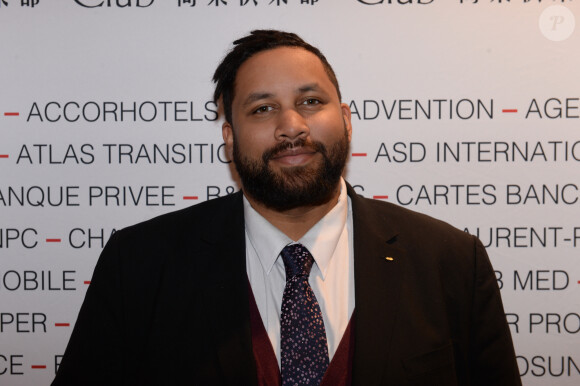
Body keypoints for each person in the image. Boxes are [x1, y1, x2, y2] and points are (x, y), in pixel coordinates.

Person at [52, 30, 521, 386]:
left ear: (346, 120)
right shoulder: (139, 262)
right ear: (230, 137)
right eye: (262, 109)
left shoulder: (451, 260)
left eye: (311, 101)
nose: (291, 126)